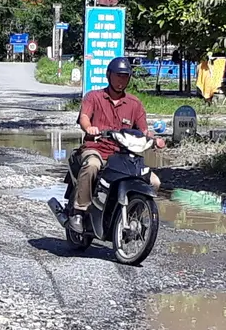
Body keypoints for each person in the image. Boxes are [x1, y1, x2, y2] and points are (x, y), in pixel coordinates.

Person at [70, 56, 164, 233]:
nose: (121, 80)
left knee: (154, 182)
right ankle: (79, 212)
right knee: (91, 166)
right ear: (108, 75)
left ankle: (131, 213)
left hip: (123, 156)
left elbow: (144, 131)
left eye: (125, 76)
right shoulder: (94, 97)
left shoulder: (134, 104)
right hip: (96, 149)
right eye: (118, 75)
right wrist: (89, 128)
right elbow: (84, 117)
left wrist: (154, 139)